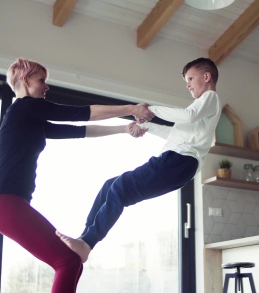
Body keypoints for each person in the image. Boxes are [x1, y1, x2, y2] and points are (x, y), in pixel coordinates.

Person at [0, 57, 154, 293]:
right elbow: (81, 113)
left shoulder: (29, 117)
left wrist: (124, 128)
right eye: (41, 80)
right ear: (25, 81)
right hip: (5, 203)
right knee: (69, 261)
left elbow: (81, 131)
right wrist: (131, 109)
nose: (46, 86)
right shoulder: (26, 107)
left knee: (71, 261)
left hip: (8, 203)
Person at [56, 57, 222, 263]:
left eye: (190, 78)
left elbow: (187, 116)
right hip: (179, 163)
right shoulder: (200, 111)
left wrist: (150, 109)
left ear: (206, 77)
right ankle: (84, 239)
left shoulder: (210, 98)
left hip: (178, 161)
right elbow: (176, 134)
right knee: (110, 186)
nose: (187, 84)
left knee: (120, 188)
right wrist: (146, 126)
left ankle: (86, 244)